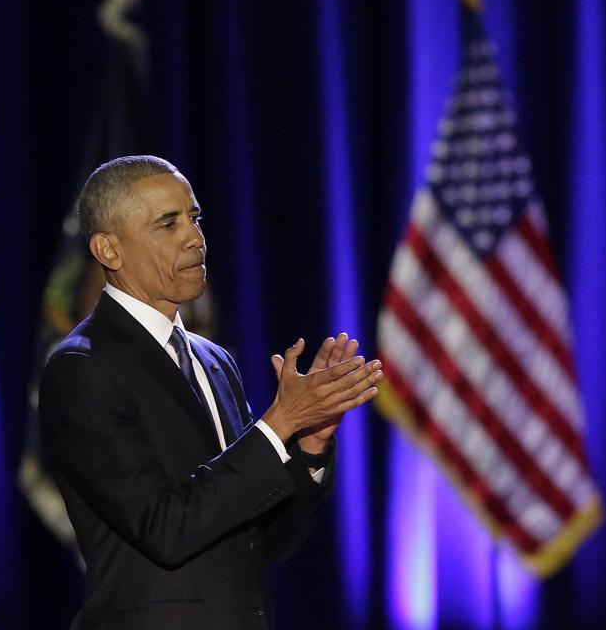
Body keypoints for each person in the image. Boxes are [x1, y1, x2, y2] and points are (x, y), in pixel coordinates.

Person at [40, 155, 382, 630]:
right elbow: (166, 528)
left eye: (195, 218)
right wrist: (278, 423)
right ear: (109, 250)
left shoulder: (214, 360)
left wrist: (309, 442)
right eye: (167, 224)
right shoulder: (82, 369)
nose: (195, 238)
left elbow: (262, 536)